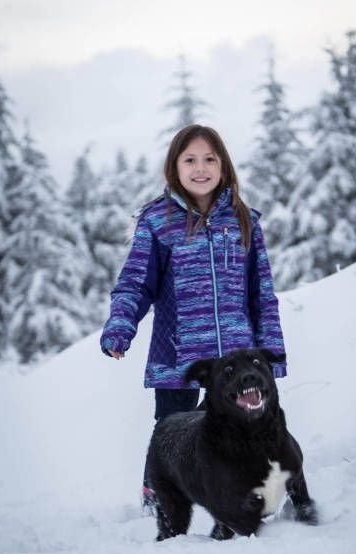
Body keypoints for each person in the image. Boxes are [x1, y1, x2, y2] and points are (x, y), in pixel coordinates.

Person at [100, 124, 287, 511]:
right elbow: (135, 283)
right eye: (190, 160)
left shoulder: (244, 220)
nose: (200, 168)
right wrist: (120, 328)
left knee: (247, 425)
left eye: (209, 159)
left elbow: (262, 294)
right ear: (174, 167)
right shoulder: (157, 223)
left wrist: (271, 350)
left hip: (237, 353)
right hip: (178, 350)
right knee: (172, 427)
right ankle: (160, 494)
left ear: (223, 165)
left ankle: (249, 494)